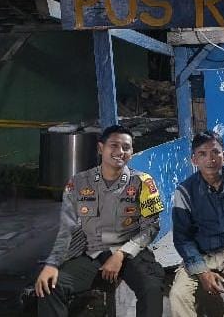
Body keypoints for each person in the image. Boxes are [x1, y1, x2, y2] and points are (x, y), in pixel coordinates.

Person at [35, 125, 165, 317]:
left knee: (152, 287)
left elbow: (152, 226)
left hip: (131, 252)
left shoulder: (143, 182)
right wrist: (52, 264)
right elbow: (67, 230)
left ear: (132, 151)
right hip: (92, 254)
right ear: (100, 148)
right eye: (114, 145)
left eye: (126, 147)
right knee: (50, 285)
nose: (120, 152)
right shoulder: (78, 183)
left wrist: (120, 254)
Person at [169, 130, 224, 317]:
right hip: (201, 253)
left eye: (215, 152)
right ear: (194, 160)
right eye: (202, 154)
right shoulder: (184, 191)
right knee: (177, 295)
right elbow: (182, 238)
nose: (210, 159)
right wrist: (201, 271)